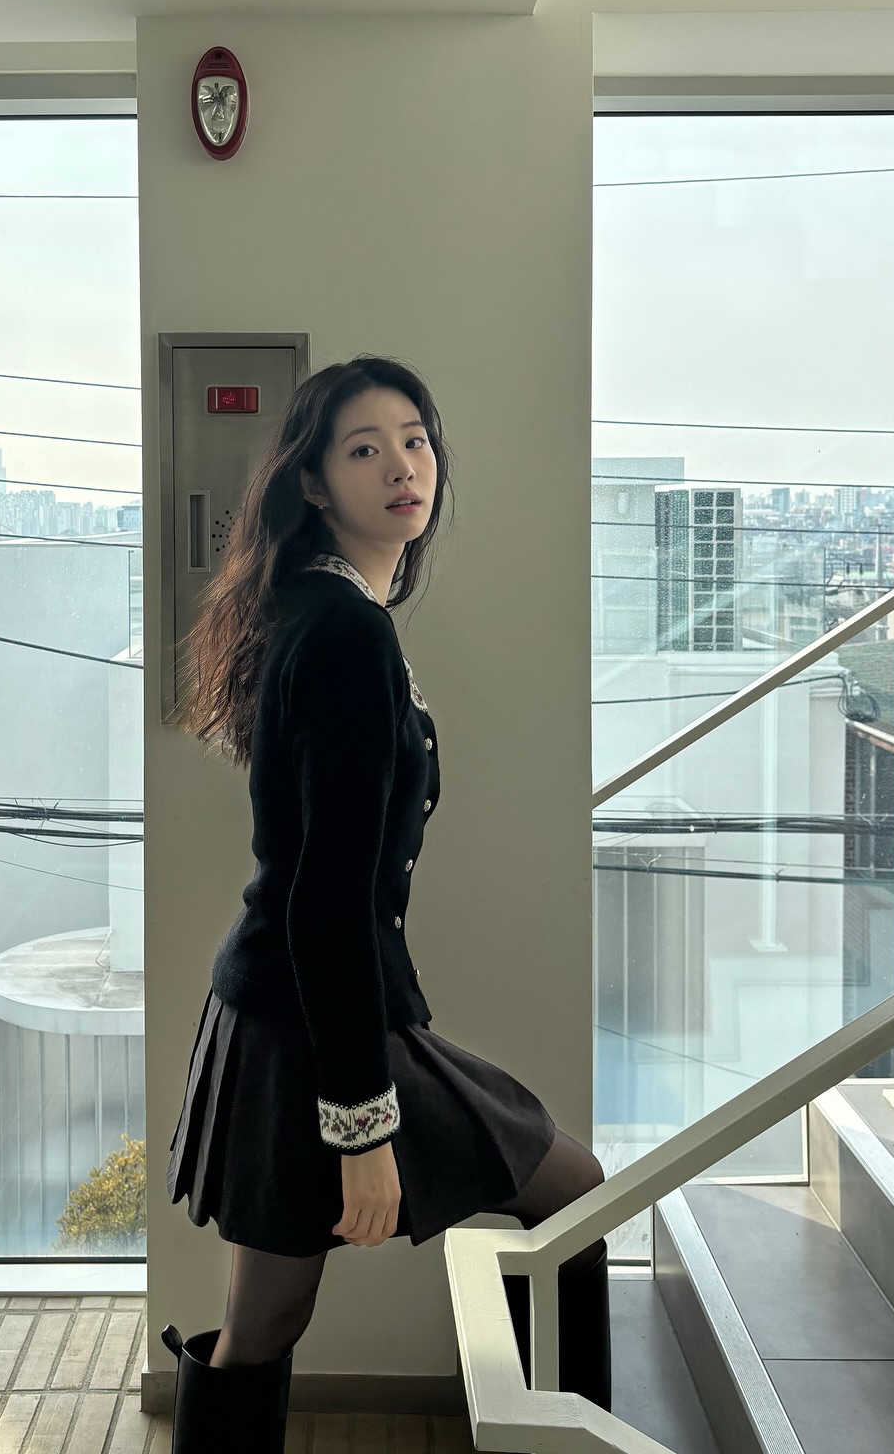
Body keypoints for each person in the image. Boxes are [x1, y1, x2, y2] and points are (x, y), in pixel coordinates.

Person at [162, 354, 610, 1451]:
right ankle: (564, 1435)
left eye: (415, 440)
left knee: (262, 1322)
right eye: (365, 450)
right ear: (315, 484)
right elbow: (325, 897)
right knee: (571, 1193)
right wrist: (360, 1129)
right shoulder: (344, 631)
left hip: (298, 1009)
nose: (403, 467)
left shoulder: (329, 609)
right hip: (312, 1021)